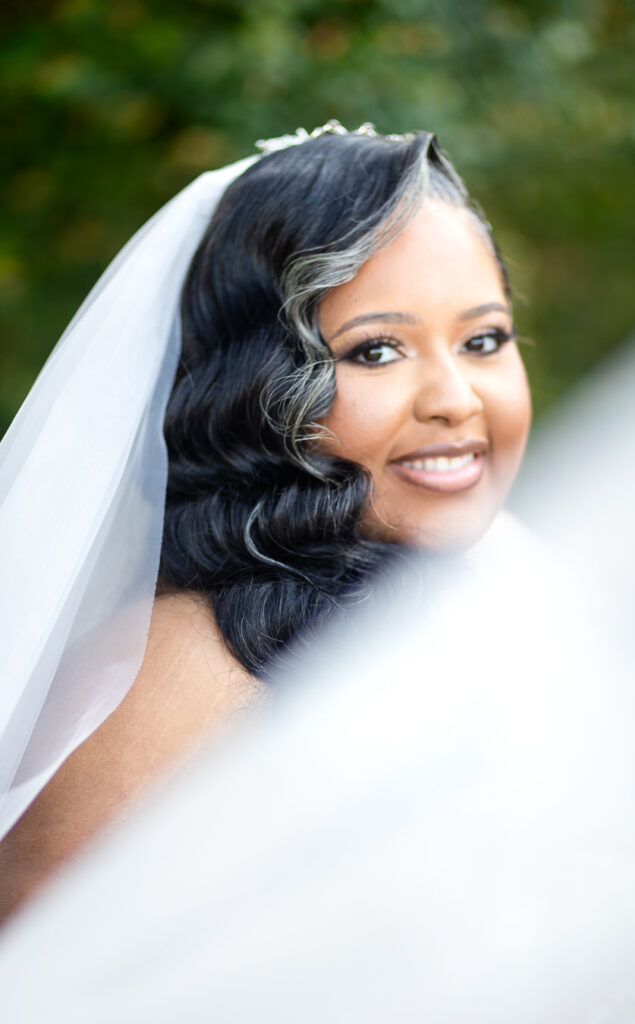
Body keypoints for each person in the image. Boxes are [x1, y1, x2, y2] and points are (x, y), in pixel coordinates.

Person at [0, 123, 531, 922]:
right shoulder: (164, 675)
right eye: (376, 352)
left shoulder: (513, 581)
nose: (455, 398)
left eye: (482, 339)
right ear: (257, 385)